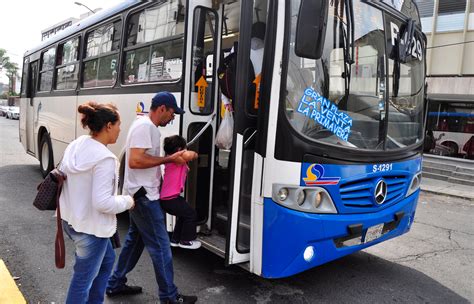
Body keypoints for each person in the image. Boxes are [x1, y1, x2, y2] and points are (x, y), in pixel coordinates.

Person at [106, 92, 197, 304]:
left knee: (134, 242)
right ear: (162, 108)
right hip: (144, 196)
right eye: (172, 112)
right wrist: (169, 158)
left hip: (141, 194)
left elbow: (140, 160)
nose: (173, 117)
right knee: (161, 247)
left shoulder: (147, 126)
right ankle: (169, 296)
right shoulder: (145, 127)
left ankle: (115, 283)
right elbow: (135, 161)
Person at [59, 102, 135, 304]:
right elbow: (103, 203)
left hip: (70, 220)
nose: (120, 129)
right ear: (109, 125)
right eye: (119, 124)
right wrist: (128, 201)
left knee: (106, 261)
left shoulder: (77, 144)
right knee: (82, 281)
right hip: (91, 229)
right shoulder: (105, 159)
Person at [160, 135, 200, 249]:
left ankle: (175, 239)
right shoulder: (176, 159)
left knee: (184, 215)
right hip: (170, 199)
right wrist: (193, 153)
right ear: (179, 150)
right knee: (191, 214)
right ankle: (186, 240)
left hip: (168, 199)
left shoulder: (171, 158)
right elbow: (191, 155)